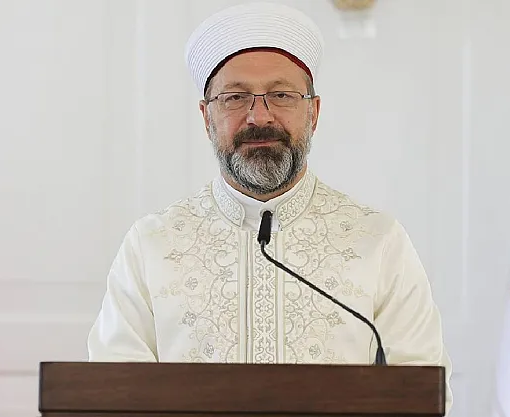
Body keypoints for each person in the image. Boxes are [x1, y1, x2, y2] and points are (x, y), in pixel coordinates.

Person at [87, 2, 453, 413]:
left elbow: (419, 392)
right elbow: (114, 396)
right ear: (206, 117)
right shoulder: (151, 245)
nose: (259, 116)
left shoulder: (379, 242)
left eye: (281, 95)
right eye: (235, 97)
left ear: (313, 113)